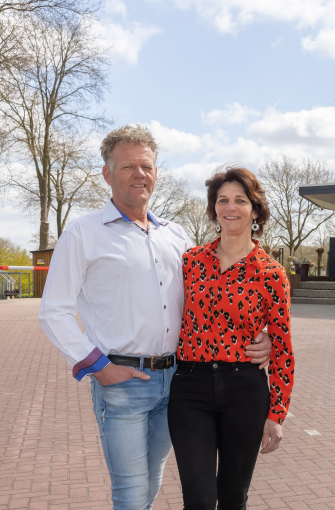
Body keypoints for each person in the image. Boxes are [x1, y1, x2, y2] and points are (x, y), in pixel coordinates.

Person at [38, 125, 271, 510]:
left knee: (150, 487)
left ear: (157, 173)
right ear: (107, 173)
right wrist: (99, 367)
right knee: (130, 494)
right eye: (128, 166)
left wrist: (260, 335)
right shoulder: (83, 233)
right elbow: (54, 311)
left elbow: (213, 297)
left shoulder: (175, 236)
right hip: (122, 383)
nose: (139, 174)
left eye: (146, 166)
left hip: (178, 384)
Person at [169, 165, 294, 510]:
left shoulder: (271, 273)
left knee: (233, 497)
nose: (230, 207)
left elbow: (282, 347)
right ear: (214, 209)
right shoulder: (190, 262)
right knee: (199, 498)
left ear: (254, 210)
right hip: (189, 389)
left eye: (240, 200)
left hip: (245, 391)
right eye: (223, 200)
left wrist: (277, 414)